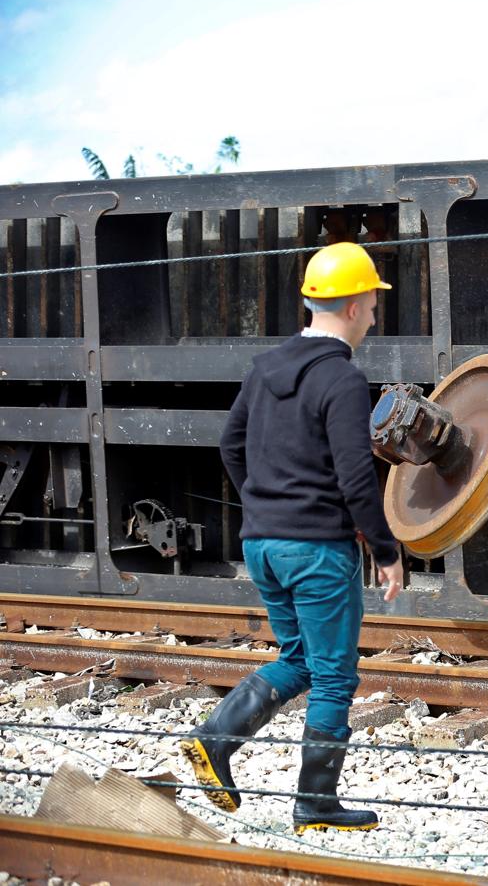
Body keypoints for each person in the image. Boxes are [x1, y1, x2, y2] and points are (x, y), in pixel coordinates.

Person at [182, 241, 404, 833]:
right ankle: (315, 804)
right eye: (374, 304)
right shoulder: (343, 378)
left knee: (300, 659)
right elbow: (357, 477)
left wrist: (264, 502)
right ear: (355, 306)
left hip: (263, 544)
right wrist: (386, 551)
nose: (376, 316)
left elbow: (230, 445)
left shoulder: (265, 369)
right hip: (316, 550)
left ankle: (215, 741)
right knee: (334, 675)